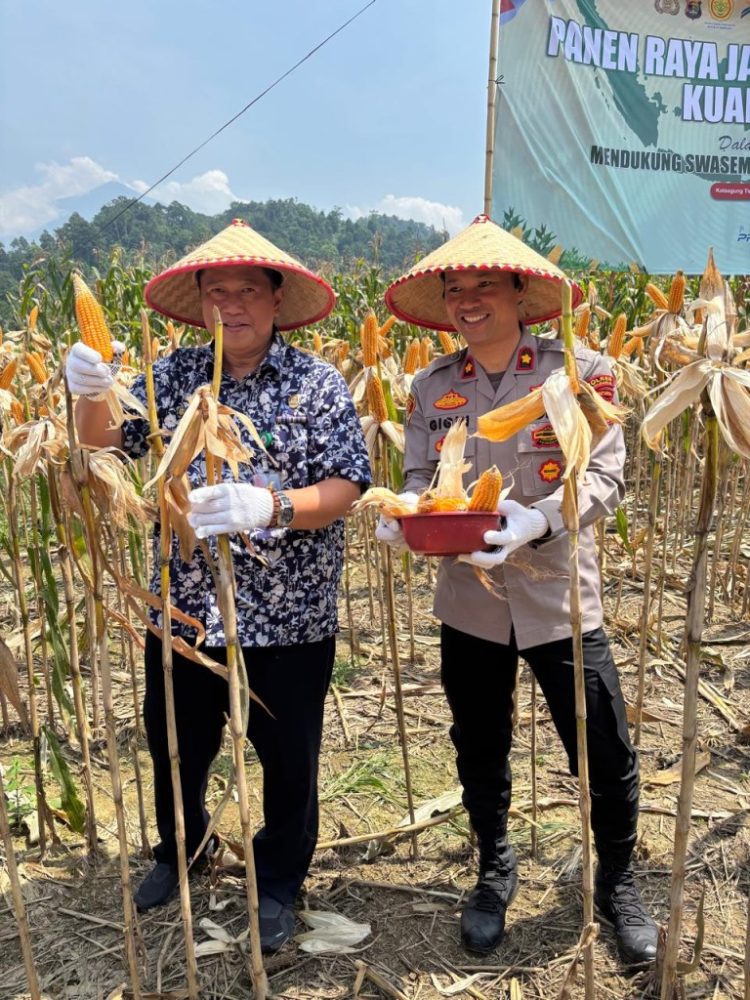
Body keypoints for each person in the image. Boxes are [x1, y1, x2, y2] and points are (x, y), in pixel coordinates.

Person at [66, 218, 371, 952]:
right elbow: (102, 445)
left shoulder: (317, 384)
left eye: (245, 291)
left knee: (288, 758)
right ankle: (184, 847)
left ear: (275, 299)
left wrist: (273, 506)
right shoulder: (171, 377)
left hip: (290, 619)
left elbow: (347, 484)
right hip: (186, 611)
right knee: (177, 744)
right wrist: (89, 391)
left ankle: (276, 879)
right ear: (201, 304)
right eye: (216, 293)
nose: (230, 305)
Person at [377, 214, 658, 966]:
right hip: (467, 598)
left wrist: (537, 519)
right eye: (456, 289)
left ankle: (618, 884)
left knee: (601, 743)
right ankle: (494, 866)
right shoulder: (430, 385)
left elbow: (605, 474)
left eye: (484, 286)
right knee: (479, 741)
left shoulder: (583, 373)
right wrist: (404, 514)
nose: (468, 300)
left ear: (520, 293)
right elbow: (416, 477)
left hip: (560, 592)